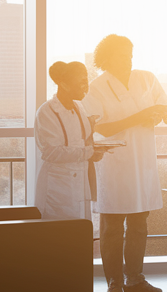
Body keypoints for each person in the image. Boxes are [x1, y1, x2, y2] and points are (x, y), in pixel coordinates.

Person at [85, 35, 167, 292]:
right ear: (106, 58)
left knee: (139, 222)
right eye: (122, 54)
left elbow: (164, 103)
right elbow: (101, 127)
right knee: (112, 225)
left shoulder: (146, 77)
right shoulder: (97, 87)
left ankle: (135, 279)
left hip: (143, 159)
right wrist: (140, 116)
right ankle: (114, 283)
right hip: (114, 161)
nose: (129, 59)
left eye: (130, 53)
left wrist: (163, 114)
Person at [35, 61, 112, 221]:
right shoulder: (47, 111)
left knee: (79, 234)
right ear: (64, 84)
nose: (86, 86)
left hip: (79, 183)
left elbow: (81, 143)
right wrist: (89, 153)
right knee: (58, 237)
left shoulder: (79, 108)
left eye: (86, 80)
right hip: (57, 186)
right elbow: (52, 152)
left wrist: (94, 138)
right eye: (82, 81)